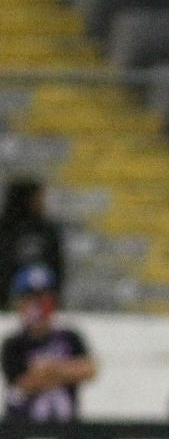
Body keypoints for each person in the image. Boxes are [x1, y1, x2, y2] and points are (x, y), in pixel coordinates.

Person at [1, 264, 96, 422]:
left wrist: (49, 369)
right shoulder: (13, 343)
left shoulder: (70, 337)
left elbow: (89, 369)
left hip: (66, 428)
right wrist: (66, 371)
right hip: (23, 428)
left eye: (44, 300)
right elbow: (22, 382)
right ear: (20, 304)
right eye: (31, 299)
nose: (39, 307)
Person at [0, 177, 65, 309]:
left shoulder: (47, 230)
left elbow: (57, 265)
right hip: (6, 301)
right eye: (37, 198)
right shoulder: (5, 229)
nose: (41, 203)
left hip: (43, 300)